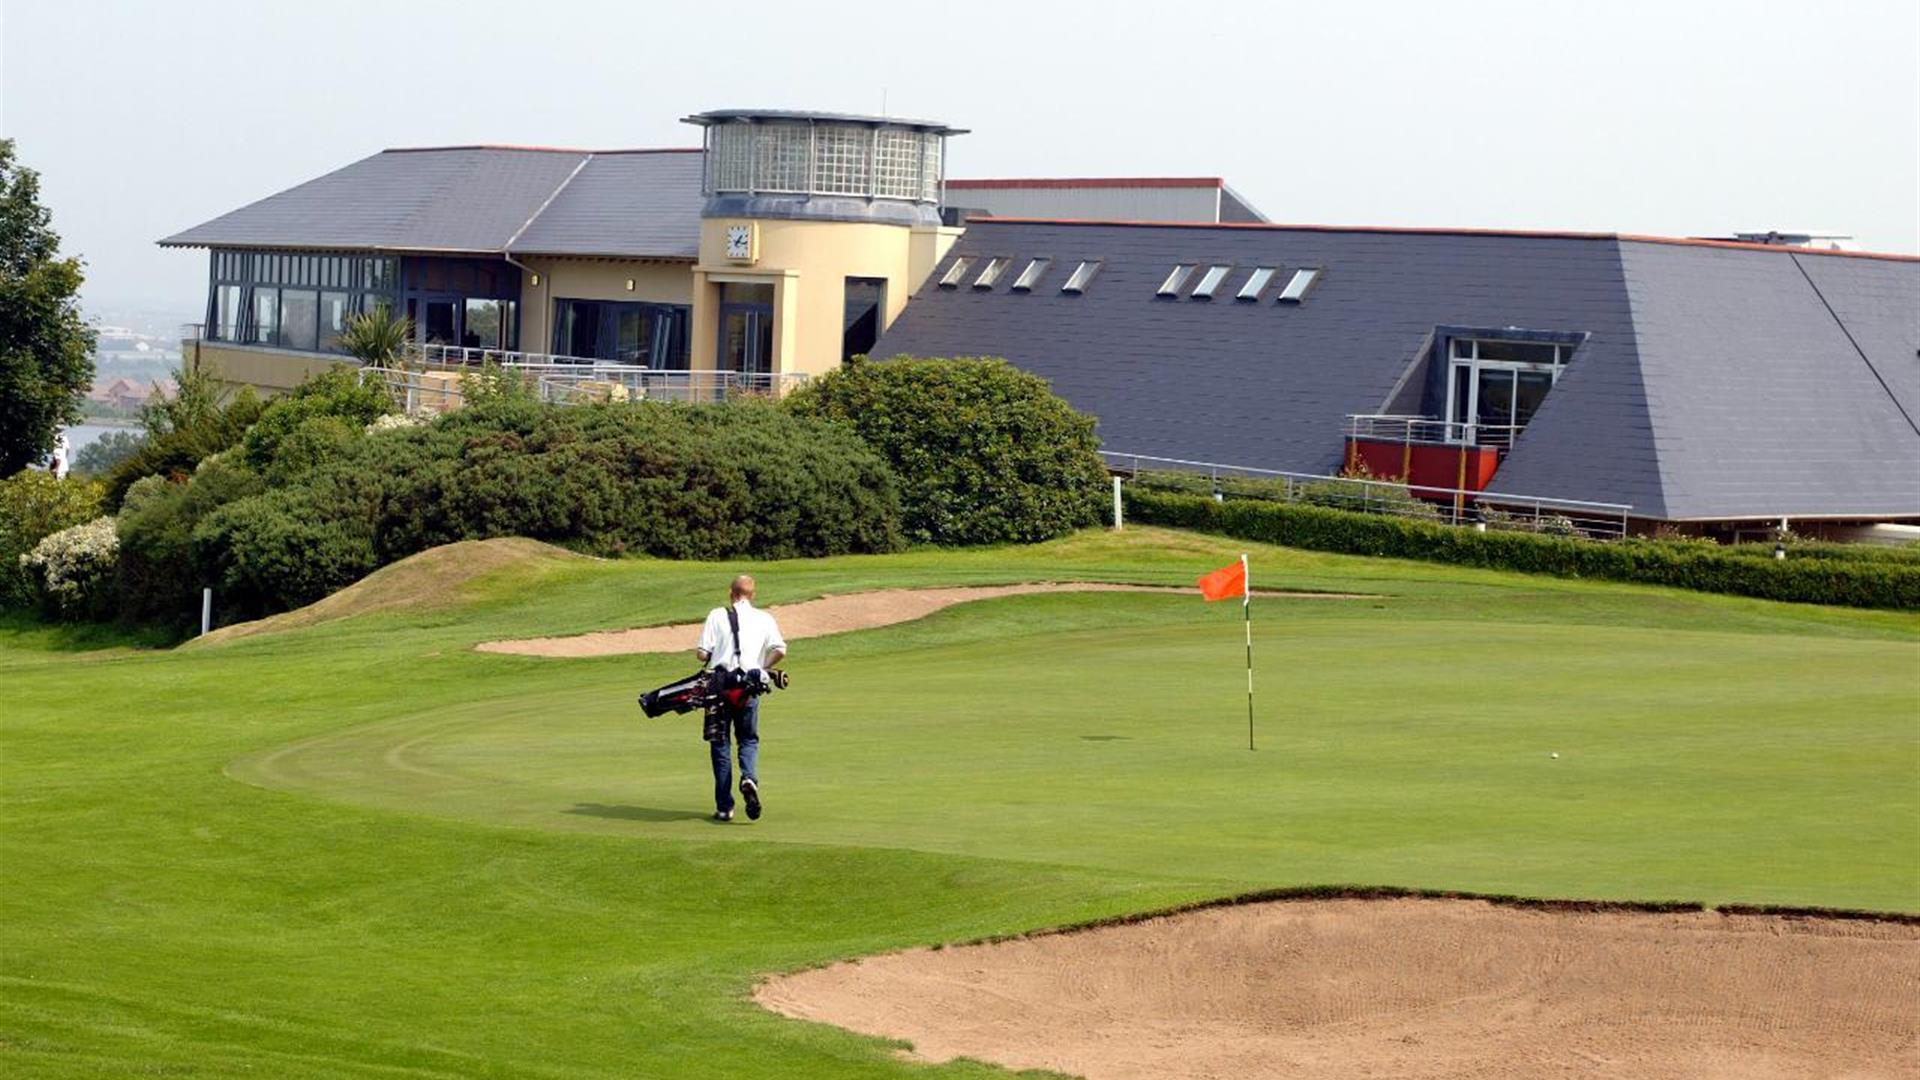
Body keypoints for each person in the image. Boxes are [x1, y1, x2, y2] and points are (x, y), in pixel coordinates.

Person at [696, 574, 786, 822]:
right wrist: (763, 668)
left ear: (730, 592)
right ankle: (748, 778)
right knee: (748, 739)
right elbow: (780, 649)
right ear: (752, 594)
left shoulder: (717, 614)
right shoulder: (764, 618)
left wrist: (715, 652)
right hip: (750, 685)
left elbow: (702, 655)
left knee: (720, 744)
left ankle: (725, 807)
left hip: (720, 687)